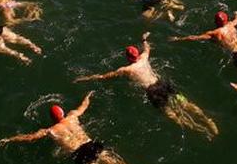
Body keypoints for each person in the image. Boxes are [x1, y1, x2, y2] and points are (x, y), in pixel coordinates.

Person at [0, 92, 150, 164]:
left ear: (52, 119)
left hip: (79, 154)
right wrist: (88, 96)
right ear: (63, 112)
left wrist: (9, 139)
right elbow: (83, 107)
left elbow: (29, 137)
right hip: (90, 145)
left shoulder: (50, 130)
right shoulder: (72, 116)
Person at [76, 33, 218, 139]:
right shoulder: (144, 58)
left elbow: (105, 76)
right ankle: (208, 121)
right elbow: (147, 48)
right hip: (162, 83)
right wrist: (144, 38)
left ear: (127, 58)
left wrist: (87, 78)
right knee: (184, 102)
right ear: (137, 54)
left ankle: (197, 128)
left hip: (153, 92)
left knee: (170, 112)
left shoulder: (126, 69)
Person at [171, 11, 237, 86]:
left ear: (216, 22)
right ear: (226, 19)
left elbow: (195, 37)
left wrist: (178, 38)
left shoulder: (215, 32)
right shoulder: (231, 25)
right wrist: (236, 14)